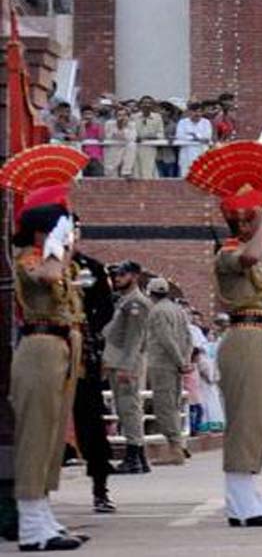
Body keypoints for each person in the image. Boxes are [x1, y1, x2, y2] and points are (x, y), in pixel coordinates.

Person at [187, 143, 262, 528]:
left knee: (258, 421)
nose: (261, 225)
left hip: (260, 337)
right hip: (245, 338)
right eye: (253, 218)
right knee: (245, 421)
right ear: (243, 223)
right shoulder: (229, 253)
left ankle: (251, 496)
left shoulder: (258, 257)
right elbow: (249, 259)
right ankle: (240, 504)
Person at [1, 153, 90, 550]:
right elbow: (50, 276)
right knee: (36, 434)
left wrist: (65, 247)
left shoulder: (55, 257)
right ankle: (32, 526)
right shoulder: (29, 259)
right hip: (39, 348)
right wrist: (58, 244)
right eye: (61, 223)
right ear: (45, 228)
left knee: (52, 437)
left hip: (59, 347)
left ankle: (43, 515)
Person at [71, 236, 118, 513]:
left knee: (90, 420)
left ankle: (100, 488)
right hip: (50, 342)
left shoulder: (91, 267)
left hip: (83, 349)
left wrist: (89, 327)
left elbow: (106, 308)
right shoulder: (35, 264)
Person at [102, 260, 153, 475]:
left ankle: (133, 458)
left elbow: (135, 339)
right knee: (127, 409)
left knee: (129, 409)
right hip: (120, 362)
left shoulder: (136, 303)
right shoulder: (125, 301)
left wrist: (126, 367)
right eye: (116, 275)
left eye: (122, 275)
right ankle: (139, 458)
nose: (117, 279)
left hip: (126, 363)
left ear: (134, 276)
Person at [145, 277, 193, 465]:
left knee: (164, 406)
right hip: (177, 364)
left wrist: (180, 361)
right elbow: (188, 337)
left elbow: (165, 339)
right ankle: (177, 446)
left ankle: (175, 449)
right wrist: (185, 360)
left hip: (163, 363)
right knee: (173, 405)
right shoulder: (178, 310)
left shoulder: (157, 311)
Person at [175, 103, 212, 177]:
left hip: (202, 152)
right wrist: (194, 138)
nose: (197, 114)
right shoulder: (182, 122)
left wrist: (195, 136)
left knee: (202, 177)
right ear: (189, 112)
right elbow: (179, 136)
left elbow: (207, 136)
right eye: (195, 111)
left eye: (199, 112)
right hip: (187, 153)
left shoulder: (206, 122)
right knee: (185, 176)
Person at [133, 96, 163, 179]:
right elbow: (131, 132)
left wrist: (148, 137)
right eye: (144, 103)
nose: (147, 105)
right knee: (136, 172)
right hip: (136, 148)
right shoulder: (134, 117)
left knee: (149, 172)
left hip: (150, 149)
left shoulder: (157, 117)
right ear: (140, 105)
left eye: (149, 103)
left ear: (152, 105)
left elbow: (161, 134)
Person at [103, 105, 138, 178]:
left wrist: (123, 127)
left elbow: (131, 138)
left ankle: (126, 171)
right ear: (115, 116)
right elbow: (108, 136)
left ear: (128, 116)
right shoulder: (109, 123)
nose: (122, 117)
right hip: (112, 149)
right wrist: (119, 127)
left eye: (124, 115)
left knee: (132, 145)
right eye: (119, 115)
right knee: (110, 173)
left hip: (125, 148)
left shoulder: (132, 124)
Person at [78, 105, 104, 176]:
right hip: (82, 155)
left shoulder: (98, 124)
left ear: (93, 115)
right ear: (82, 115)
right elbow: (81, 138)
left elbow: (101, 138)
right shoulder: (79, 125)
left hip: (95, 156)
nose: (87, 116)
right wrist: (83, 125)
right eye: (85, 114)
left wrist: (99, 126)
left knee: (97, 175)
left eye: (89, 114)